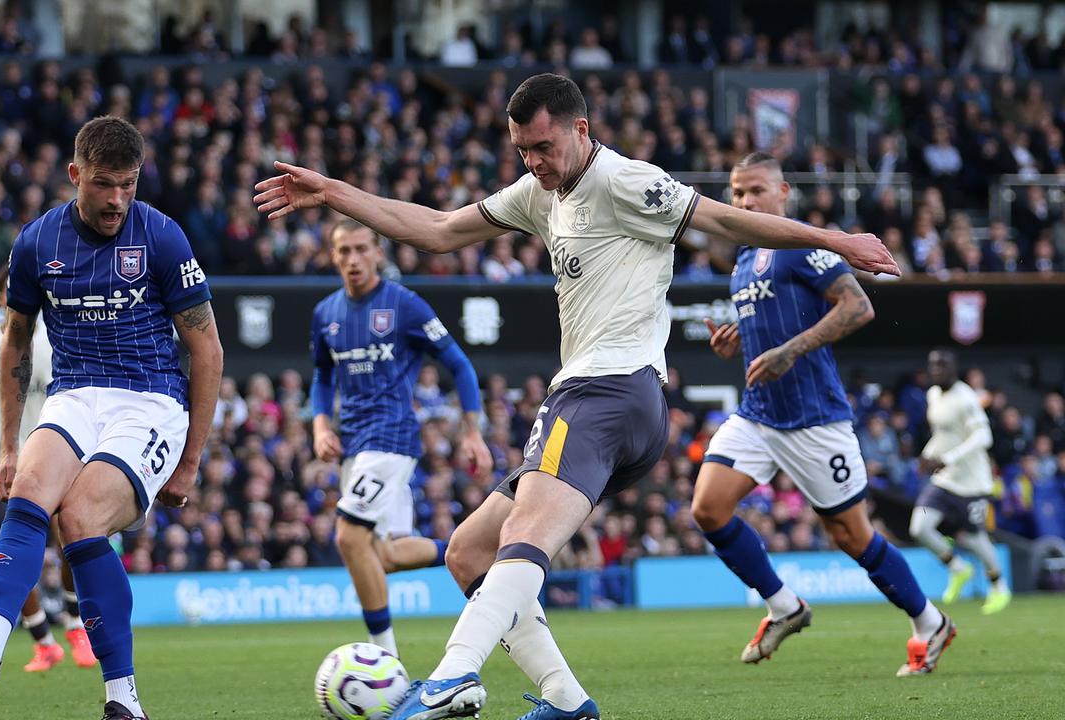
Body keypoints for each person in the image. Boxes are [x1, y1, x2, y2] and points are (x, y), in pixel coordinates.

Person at [255, 73, 899, 720]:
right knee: (469, 551)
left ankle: (452, 675)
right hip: (602, 397)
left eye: (542, 146)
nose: (533, 162)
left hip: (608, 390)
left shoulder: (625, 180)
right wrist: (333, 193)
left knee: (526, 532)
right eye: (522, 151)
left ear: (580, 129)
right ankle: (566, 701)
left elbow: (727, 219)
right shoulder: (541, 194)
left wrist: (834, 239)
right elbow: (438, 229)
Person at [0, 116, 223, 720]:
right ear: (75, 174)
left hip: (150, 399)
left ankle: (122, 697)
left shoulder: (161, 237)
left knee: (80, 517)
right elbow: (15, 343)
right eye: (104, 184)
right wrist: (6, 447)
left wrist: (191, 462)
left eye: (128, 185)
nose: (116, 200)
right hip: (74, 394)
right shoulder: (36, 242)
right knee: (28, 490)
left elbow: (207, 349)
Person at [691, 153, 955, 678]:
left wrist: (791, 350)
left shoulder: (802, 247)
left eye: (756, 191)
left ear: (784, 192)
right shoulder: (744, 260)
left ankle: (930, 622)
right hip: (759, 416)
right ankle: (784, 606)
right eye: (737, 194)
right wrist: (737, 346)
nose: (745, 202)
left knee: (851, 537)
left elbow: (858, 306)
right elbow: (773, 327)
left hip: (814, 420)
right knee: (707, 508)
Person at [312, 219, 492, 658]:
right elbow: (321, 377)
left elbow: (461, 366)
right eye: (344, 252)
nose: (353, 260)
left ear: (378, 253)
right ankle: (476, 551)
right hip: (352, 445)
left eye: (360, 250)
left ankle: (385, 662)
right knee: (385, 555)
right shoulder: (326, 313)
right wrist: (319, 425)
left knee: (349, 537)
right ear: (333, 257)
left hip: (391, 437)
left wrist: (472, 431)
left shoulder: (404, 305)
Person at [0, 263, 97, 673]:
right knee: (10, 553)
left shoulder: (58, 341)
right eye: (10, 290)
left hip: (62, 461)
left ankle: (76, 624)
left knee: (73, 541)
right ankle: (43, 641)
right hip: (7, 467)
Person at [911, 348, 1010, 614]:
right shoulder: (933, 394)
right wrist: (928, 455)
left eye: (943, 365)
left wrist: (949, 458)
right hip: (945, 480)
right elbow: (943, 433)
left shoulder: (966, 398)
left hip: (973, 483)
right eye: (933, 366)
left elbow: (983, 438)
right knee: (919, 527)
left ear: (955, 369)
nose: (937, 370)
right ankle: (958, 568)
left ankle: (999, 587)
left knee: (976, 540)